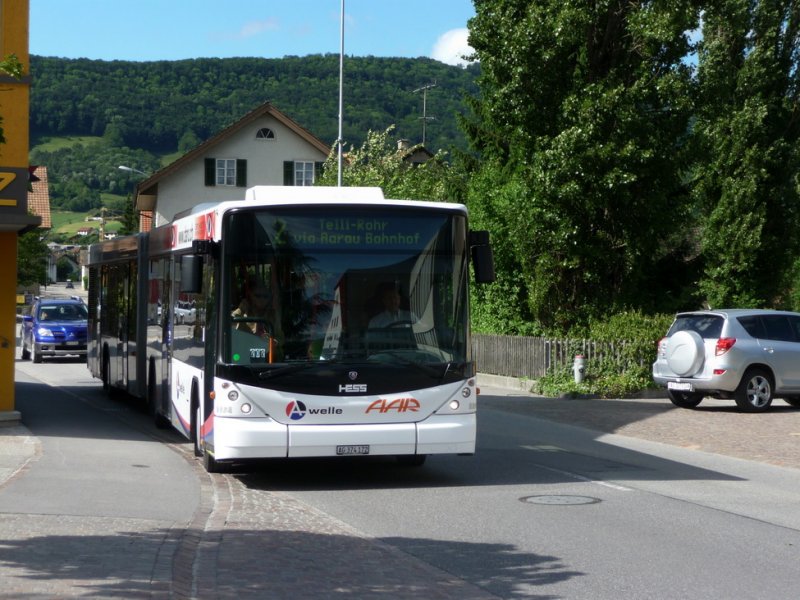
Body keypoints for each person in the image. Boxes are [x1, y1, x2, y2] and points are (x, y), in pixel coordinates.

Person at [232, 276, 284, 358]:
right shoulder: (244, 313)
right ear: (250, 296)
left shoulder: (272, 315)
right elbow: (230, 323)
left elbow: (280, 337)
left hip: (270, 358)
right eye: (257, 296)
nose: (261, 299)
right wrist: (240, 309)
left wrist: (274, 342)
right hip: (245, 358)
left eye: (265, 296)